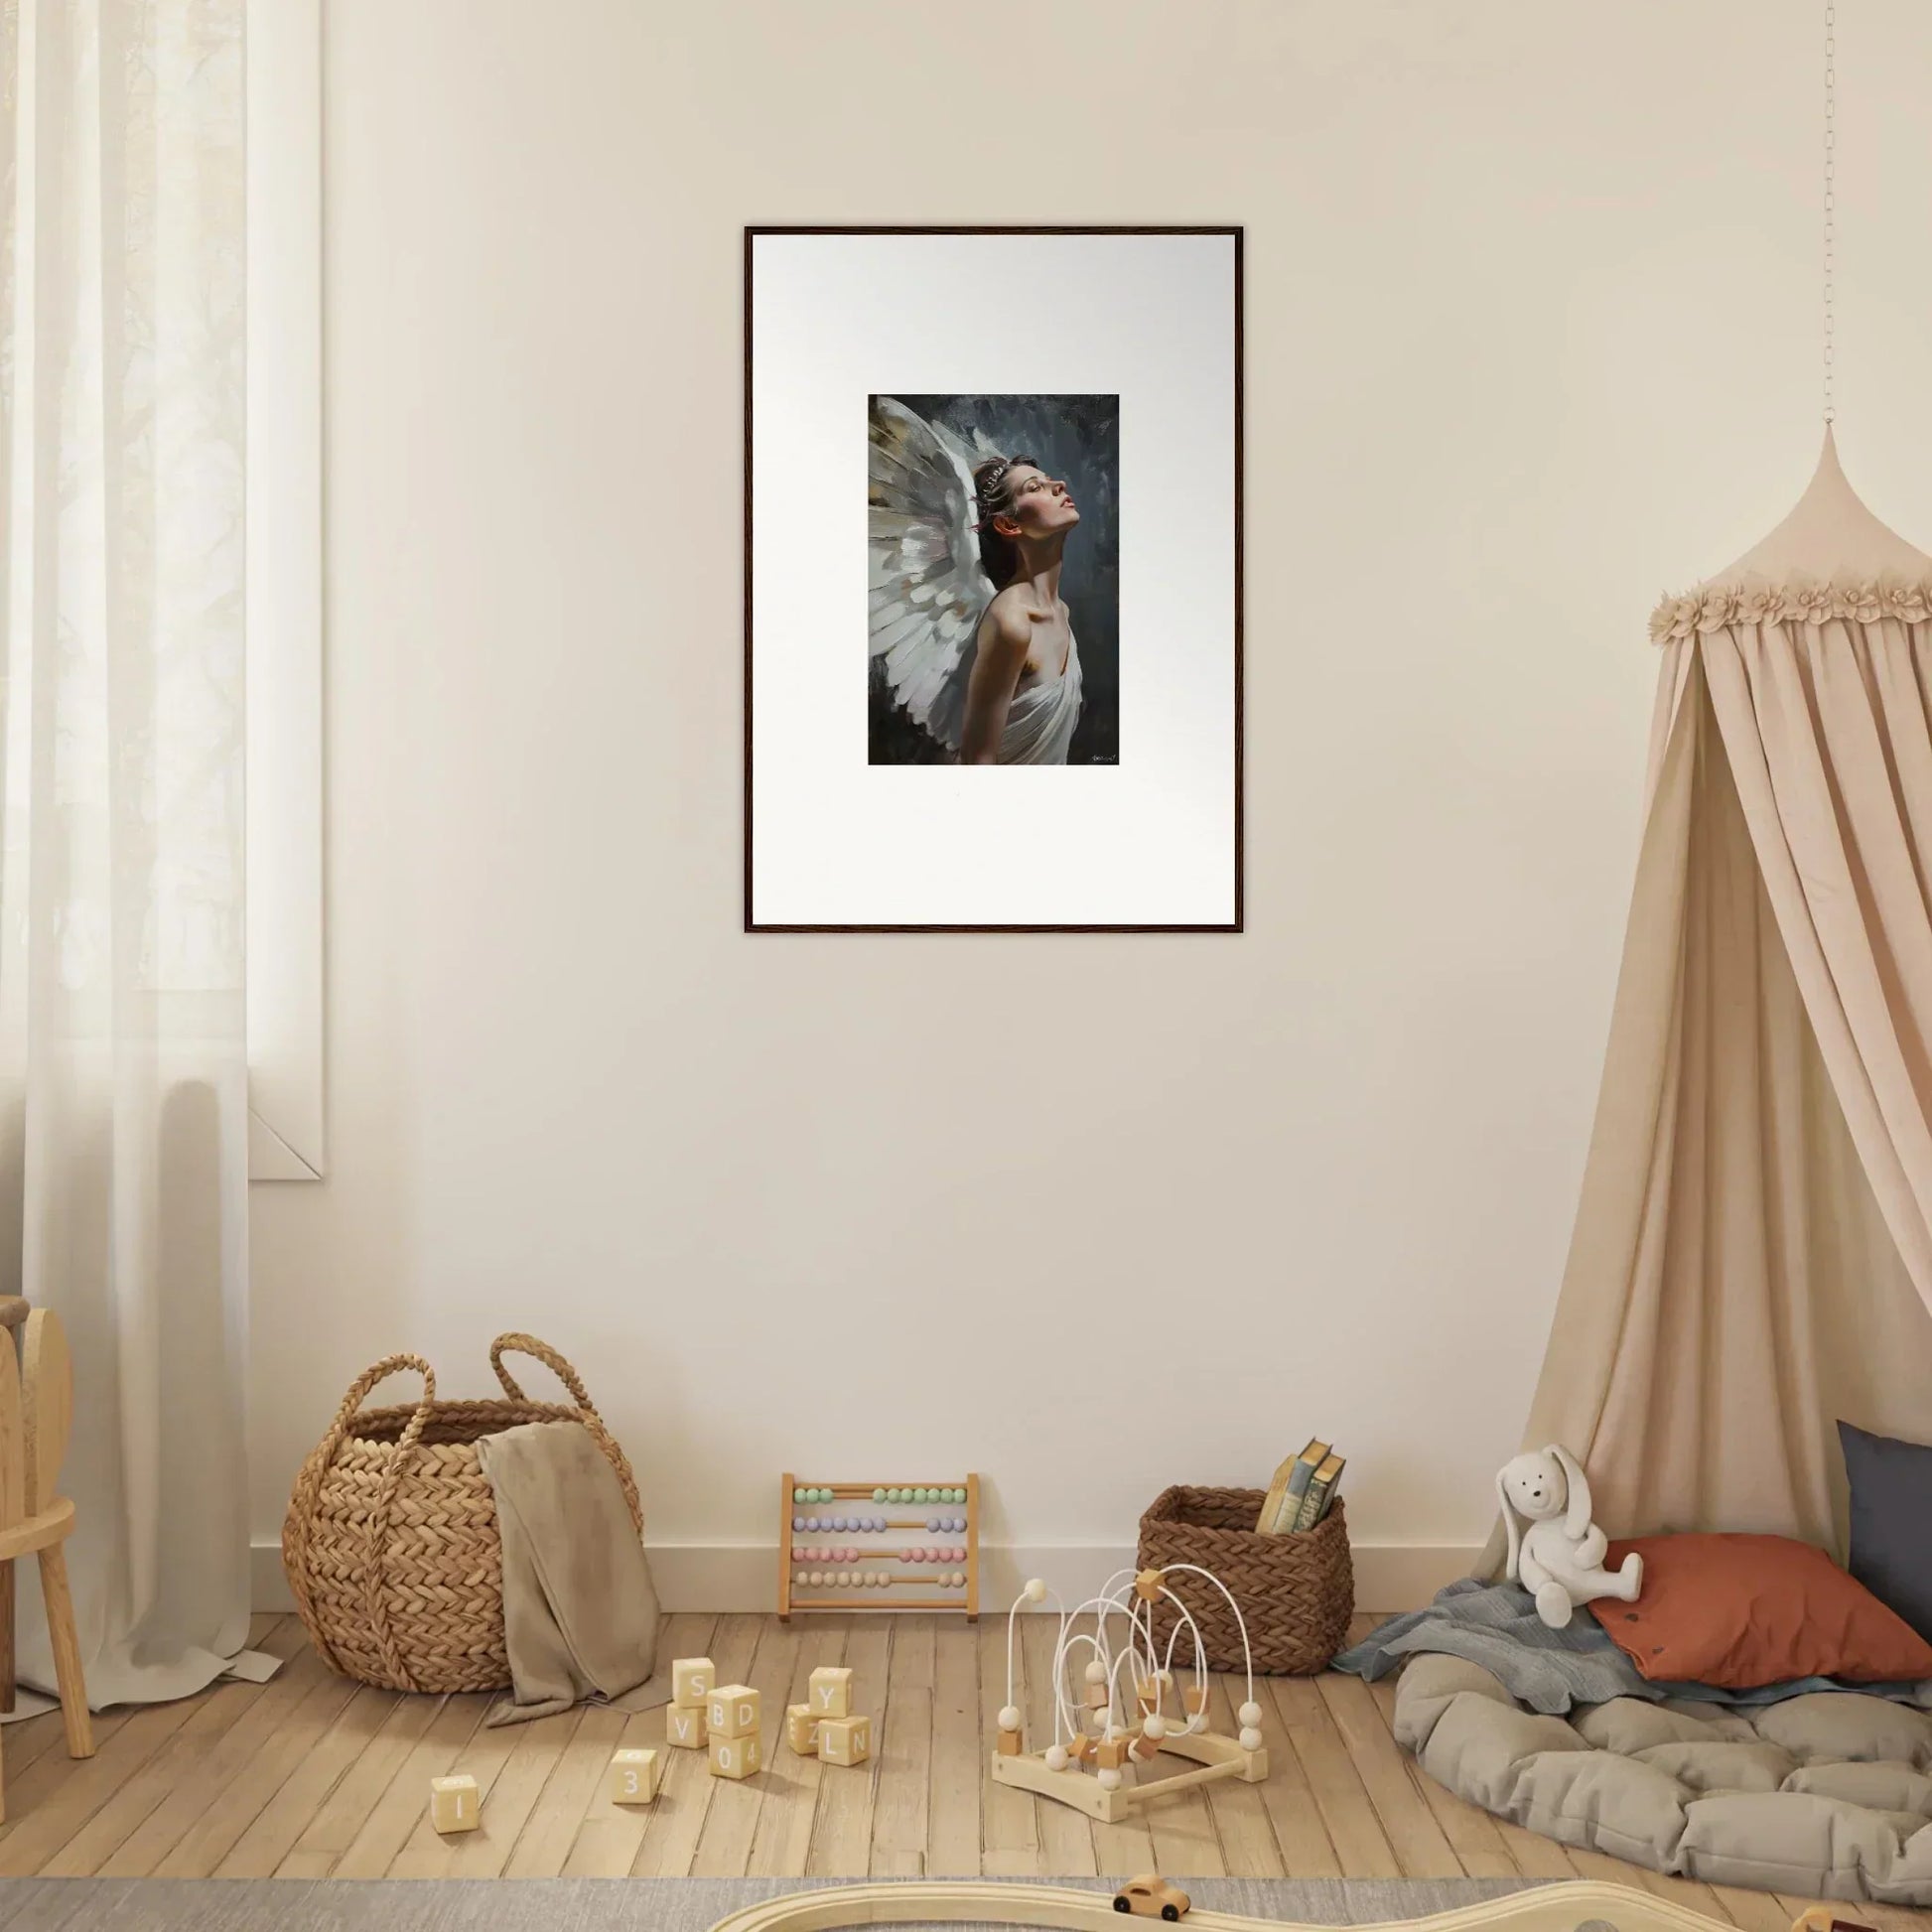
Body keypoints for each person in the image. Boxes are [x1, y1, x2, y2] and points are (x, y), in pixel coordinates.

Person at [957, 456, 1085, 765]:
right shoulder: (1011, 620)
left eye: (1048, 479)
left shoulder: (1061, 612)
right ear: (1009, 524)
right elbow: (978, 760)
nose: (1059, 485)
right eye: (1035, 487)